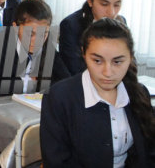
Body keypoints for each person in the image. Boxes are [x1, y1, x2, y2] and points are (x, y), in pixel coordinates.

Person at [41, 18, 155, 167]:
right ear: (84, 54)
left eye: (117, 62)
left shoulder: (138, 93)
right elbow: (55, 162)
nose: (107, 72)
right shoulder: (59, 97)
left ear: (130, 58)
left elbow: (149, 153)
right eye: (97, 61)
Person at [0, 0, 70, 96]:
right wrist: (26, 84)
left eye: (43, 33)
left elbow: (67, 82)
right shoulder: (2, 43)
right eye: (30, 34)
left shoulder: (46, 43)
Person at [59, 0, 126, 75]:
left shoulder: (121, 21)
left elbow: (128, 62)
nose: (111, 12)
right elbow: (75, 69)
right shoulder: (71, 25)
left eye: (117, 5)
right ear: (90, 1)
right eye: (104, 4)